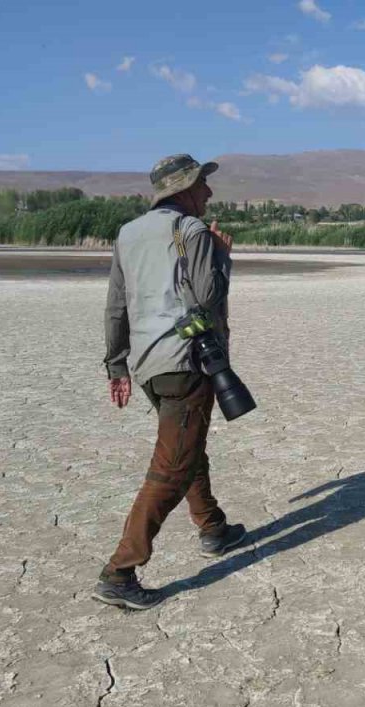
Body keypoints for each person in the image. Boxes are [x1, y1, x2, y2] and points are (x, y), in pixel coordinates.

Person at [93, 153, 247, 610]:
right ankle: (120, 571)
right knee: (172, 466)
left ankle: (213, 528)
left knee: (185, 443)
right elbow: (208, 296)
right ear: (183, 189)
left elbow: (115, 305)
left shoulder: (129, 233)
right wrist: (222, 256)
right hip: (186, 362)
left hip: (148, 365)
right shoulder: (194, 232)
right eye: (202, 184)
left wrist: (116, 365)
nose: (209, 192)